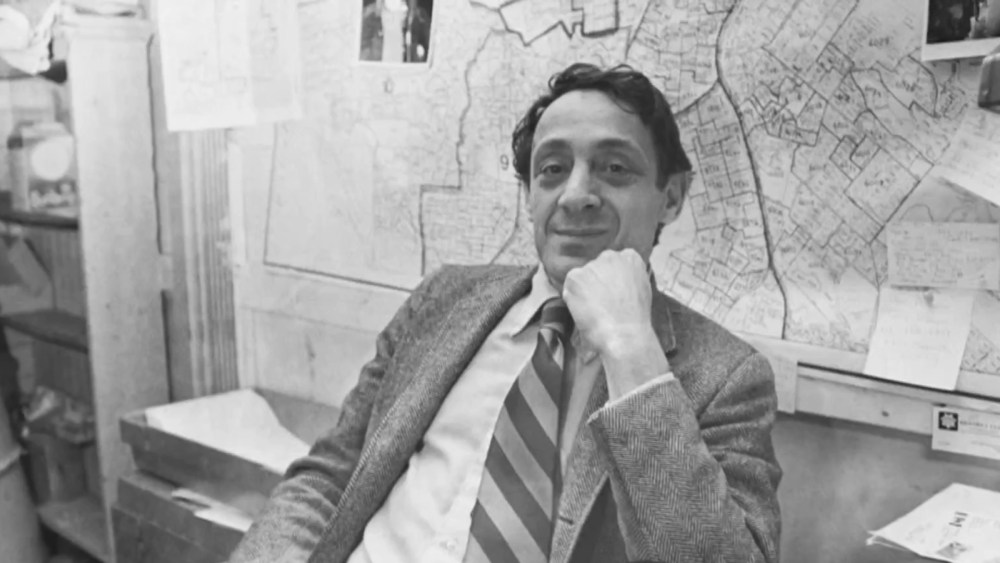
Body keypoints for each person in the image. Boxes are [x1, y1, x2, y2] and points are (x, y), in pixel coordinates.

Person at [229, 62, 782, 563]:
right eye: (552, 169)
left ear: (672, 197)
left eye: (615, 168)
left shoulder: (726, 377)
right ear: (529, 195)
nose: (575, 195)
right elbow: (331, 479)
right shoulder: (444, 300)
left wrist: (631, 351)